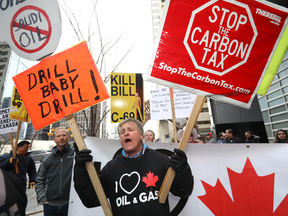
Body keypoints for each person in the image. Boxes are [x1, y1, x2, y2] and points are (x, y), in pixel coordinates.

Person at [74, 118, 194, 215]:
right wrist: (79, 167)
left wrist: (183, 169)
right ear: (121, 139)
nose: (126, 133)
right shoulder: (111, 168)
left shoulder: (161, 160)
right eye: (122, 132)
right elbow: (90, 199)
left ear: (141, 136)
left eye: (130, 130)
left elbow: (183, 191)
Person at [35, 127, 75, 216]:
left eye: (64, 135)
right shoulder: (47, 159)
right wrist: (43, 199)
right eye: (58, 136)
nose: (61, 138)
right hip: (50, 205)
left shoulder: (76, 155)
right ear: (54, 139)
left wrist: (85, 140)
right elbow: (39, 180)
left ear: (68, 137)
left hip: (71, 204)